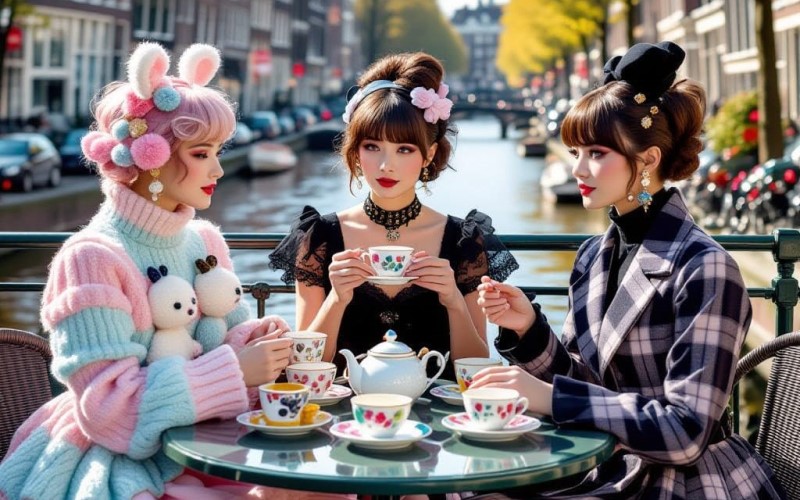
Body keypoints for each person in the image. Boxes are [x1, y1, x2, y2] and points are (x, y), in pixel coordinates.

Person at [0, 42, 351, 500]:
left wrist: (258, 343)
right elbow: (108, 410)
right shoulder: (90, 257)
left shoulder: (205, 241)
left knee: (327, 483)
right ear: (151, 157)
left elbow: (227, 347)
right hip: (120, 460)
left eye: (218, 151)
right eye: (203, 153)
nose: (219, 169)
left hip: (211, 443)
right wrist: (235, 370)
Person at [469, 42, 786, 499]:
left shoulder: (706, 267)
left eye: (597, 153)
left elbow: (685, 433)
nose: (578, 169)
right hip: (612, 467)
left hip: (690, 484)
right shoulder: (593, 256)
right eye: (575, 152)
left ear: (649, 160)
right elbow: (589, 385)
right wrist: (529, 331)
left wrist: (550, 398)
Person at [269, 52, 518, 379]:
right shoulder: (319, 237)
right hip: (347, 408)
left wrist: (453, 300)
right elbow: (304, 371)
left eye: (404, 149)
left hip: (435, 410)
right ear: (355, 150)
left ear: (429, 154)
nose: (386, 165)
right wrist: (337, 299)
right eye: (372, 147)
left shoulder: (464, 241)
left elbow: (472, 371)